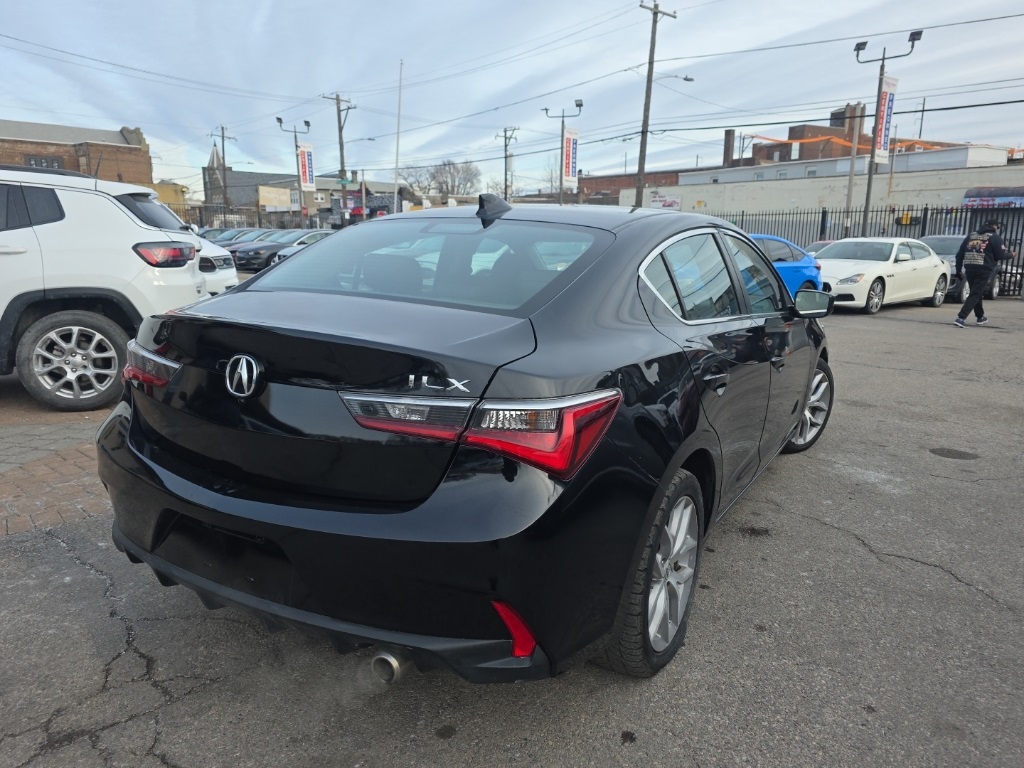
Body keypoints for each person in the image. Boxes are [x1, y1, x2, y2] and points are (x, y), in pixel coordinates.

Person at [953, 219, 1010, 328]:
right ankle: (961, 318)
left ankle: (980, 317)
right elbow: (1001, 256)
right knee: (975, 293)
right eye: (997, 227)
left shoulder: (971, 236)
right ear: (994, 226)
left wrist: (959, 269)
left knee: (976, 291)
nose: (997, 229)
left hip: (969, 267)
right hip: (984, 268)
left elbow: (960, 254)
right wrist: (1011, 254)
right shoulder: (995, 237)